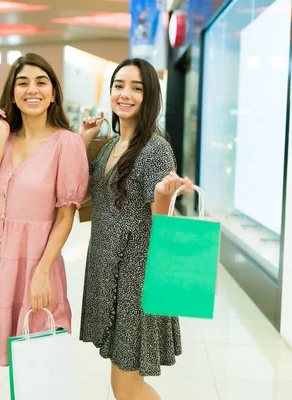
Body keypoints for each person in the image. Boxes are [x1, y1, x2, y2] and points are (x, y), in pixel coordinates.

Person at [0, 53, 89, 400]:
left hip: (34, 268)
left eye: (41, 82)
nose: (32, 90)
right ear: (12, 93)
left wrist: (42, 272)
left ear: (54, 93)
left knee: (35, 381)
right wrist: (2, 134)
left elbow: (66, 216)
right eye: (22, 83)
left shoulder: (67, 144)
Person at [78, 58, 194, 400]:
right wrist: (84, 141)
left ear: (150, 97)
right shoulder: (111, 146)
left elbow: (164, 228)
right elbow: (82, 194)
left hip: (135, 281)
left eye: (136, 87)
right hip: (108, 272)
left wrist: (161, 197)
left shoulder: (156, 149)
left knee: (125, 386)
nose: (124, 94)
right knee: (123, 384)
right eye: (119, 85)